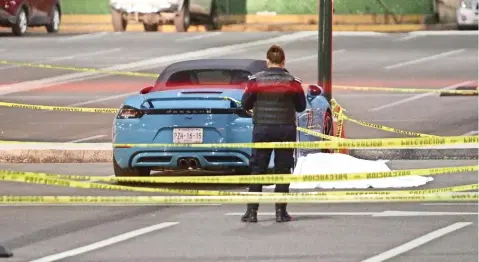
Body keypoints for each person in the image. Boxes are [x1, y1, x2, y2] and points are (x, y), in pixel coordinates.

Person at [240, 44, 307, 223]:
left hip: (262, 128)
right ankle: (280, 212)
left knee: (257, 170)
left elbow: (245, 103)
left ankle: (252, 212)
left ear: (267, 61)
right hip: (285, 128)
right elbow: (301, 106)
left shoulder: (256, 80)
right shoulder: (293, 82)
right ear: (283, 61)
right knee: (283, 170)